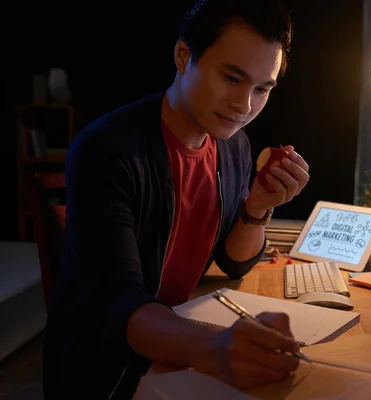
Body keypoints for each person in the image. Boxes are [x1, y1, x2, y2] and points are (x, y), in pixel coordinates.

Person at [42, 0, 310, 398]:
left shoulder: (233, 147)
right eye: (231, 78)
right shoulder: (108, 148)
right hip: (109, 366)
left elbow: (233, 262)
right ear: (184, 56)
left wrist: (257, 207)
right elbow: (116, 300)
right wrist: (213, 348)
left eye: (261, 89)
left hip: (180, 337)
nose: (244, 105)